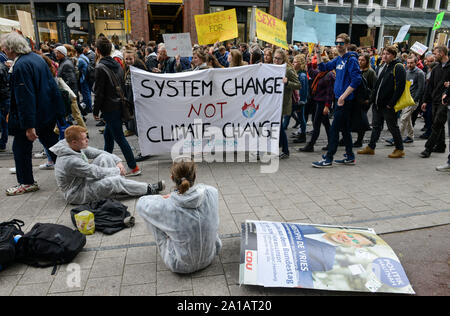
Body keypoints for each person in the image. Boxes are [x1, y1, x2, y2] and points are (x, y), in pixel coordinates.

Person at [1, 32, 64, 195]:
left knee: (20, 148)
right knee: (53, 145)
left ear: (11, 48)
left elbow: (25, 97)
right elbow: (51, 85)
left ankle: (26, 182)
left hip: (33, 115)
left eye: (4, 47)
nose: (3, 50)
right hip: (45, 112)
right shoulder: (36, 58)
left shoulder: (21, 65)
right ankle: (70, 172)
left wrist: (28, 125)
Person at [136, 158, 221, 274]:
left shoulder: (166, 204)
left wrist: (165, 197)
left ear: (172, 178)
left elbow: (141, 203)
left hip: (180, 265)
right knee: (209, 215)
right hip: (209, 257)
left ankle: (172, 237)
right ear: (195, 176)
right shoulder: (212, 192)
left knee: (152, 216)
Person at [50, 126, 164, 205]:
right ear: (74, 142)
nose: (87, 140)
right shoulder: (69, 161)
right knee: (114, 181)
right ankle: (148, 188)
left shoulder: (71, 145)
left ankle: (119, 186)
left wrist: (117, 161)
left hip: (83, 180)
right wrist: (117, 170)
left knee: (105, 157)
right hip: (76, 193)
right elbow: (95, 172)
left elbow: (99, 152)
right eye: (84, 139)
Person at [93, 36, 141, 177]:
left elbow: (99, 93)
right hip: (119, 105)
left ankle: (134, 167)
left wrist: (95, 111)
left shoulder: (100, 67)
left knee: (119, 138)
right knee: (108, 136)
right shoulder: (117, 64)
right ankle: (106, 165)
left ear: (97, 51)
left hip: (109, 108)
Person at [312, 33, 362, 168]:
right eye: (337, 43)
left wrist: (343, 96)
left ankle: (328, 158)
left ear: (346, 44)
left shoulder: (350, 59)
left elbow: (357, 80)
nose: (338, 46)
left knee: (334, 129)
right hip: (339, 99)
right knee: (345, 129)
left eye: (341, 43)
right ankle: (350, 156)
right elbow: (322, 67)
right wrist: (318, 53)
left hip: (345, 101)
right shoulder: (338, 59)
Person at [358, 46, 406, 159]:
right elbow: (377, 85)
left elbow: (400, 87)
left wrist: (391, 103)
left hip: (387, 105)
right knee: (376, 126)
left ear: (394, 55)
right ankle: (371, 147)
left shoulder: (398, 67)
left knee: (392, 127)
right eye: (383, 53)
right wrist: (371, 99)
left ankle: (399, 149)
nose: (384, 56)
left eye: (388, 54)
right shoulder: (384, 66)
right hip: (378, 103)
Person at [298, 56, 335, 152]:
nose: (318, 67)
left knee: (317, 124)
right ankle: (332, 143)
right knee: (326, 124)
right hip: (319, 101)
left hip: (323, 103)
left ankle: (311, 145)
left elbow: (330, 93)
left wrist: (327, 106)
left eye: (320, 65)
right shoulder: (321, 74)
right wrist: (309, 62)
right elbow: (311, 72)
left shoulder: (329, 75)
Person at [419, 46, 450, 159]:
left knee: (437, 124)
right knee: (437, 123)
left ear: (442, 53)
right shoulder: (436, 68)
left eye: (435, 53)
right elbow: (430, 85)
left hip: (446, 100)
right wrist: (425, 101)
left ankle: (428, 148)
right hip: (435, 99)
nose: (434, 55)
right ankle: (441, 145)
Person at [273, 49, 301, 159]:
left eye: (278, 58)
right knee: (275, 126)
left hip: (282, 102)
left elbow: (298, 85)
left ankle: (285, 150)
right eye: (274, 58)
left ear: (283, 59)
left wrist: (287, 82)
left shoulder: (288, 70)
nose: (275, 60)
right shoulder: (273, 67)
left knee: (278, 126)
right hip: (273, 101)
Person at [397, 55, 425, 144]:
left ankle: (397, 138)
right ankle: (410, 136)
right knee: (407, 119)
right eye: (408, 63)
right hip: (406, 99)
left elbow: (421, 88)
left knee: (403, 118)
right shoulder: (407, 72)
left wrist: (415, 99)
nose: (409, 65)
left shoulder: (420, 73)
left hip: (413, 100)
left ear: (416, 63)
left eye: (411, 63)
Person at [353, 53, 377, 148]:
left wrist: (369, 100)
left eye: (362, 60)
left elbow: (374, 87)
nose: (360, 62)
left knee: (361, 120)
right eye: (359, 60)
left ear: (367, 61)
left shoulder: (370, 72)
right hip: (355, 99)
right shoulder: (356, 70)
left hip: (364, 101)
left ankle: (359, 140)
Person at [291, 54, 308, 144]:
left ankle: (303, 135)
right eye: (293, 61)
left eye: (295, 62)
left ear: (300, 63)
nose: (293, 63)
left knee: (301, 118)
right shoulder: (297, 73)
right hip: (297, 100)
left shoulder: (302, 75)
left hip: (299, 101)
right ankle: (302, 134)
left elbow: (303, 89)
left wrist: (301, 101)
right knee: (301, 118)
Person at [75, 45, 92, 113]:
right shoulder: (84, 57)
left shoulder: (80, 60)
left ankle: (88, 108)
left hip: (84, 78)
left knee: (86, 93)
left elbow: (76, 68)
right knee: (87, 93)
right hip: (87, 77)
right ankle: (88, 106)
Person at [0, 52, 10, 152]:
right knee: (4, 123)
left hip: (3, 98)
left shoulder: (1, 68)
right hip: (5, 97)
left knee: (3, 122)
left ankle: (2, 143)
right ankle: (3, 143)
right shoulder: (4, 67)